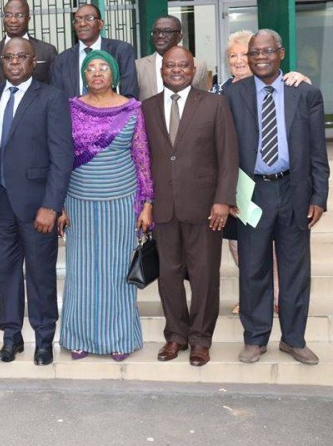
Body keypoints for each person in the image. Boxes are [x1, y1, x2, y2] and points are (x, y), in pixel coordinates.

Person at [225, 29, 329, 366]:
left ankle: (294, 339)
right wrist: (227, 195)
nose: (260, 58)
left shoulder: (305, 93)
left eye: (267, 51)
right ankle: (255, 338)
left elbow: (317, 151)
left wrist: (319, 196)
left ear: (281, 54)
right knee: (253, 268)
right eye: (254, 53)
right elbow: (223, 151)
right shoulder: (232, 94)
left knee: (295, 269)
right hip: (252, 192)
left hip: (294, 190)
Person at [141, 46, 238, 367]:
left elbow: (228, 156)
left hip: (205, 207)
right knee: (168, 274)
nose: (176, 70)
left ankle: (200, 340)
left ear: (193, 68)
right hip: (164, 208)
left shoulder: (214, 103)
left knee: (204, 274)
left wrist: (223, 200)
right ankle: (176, 336)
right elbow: (146, 160)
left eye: (183, 65)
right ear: (162, 69)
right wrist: (147, 202)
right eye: (170, 65)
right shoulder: (148, 107)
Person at [0, 37, 72, 365]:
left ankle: (44, 337)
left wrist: (52, 205)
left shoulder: (51, 98)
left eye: (22, 57)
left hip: (38, 206)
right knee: (4, 273)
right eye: (8, 58)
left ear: (34, 62)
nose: (15, 63)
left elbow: (62, 156)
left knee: (40, 273)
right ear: (0, 62)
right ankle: (11, 336)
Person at [57, 50, 153, 362]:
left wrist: (147, 203)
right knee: (82, 273)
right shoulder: (70, 108)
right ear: (83, 75)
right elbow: (59, 158)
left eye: (103, 68)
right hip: (79, 202)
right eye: (90, 69)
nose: (97, 73)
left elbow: (142, 158)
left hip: (122, 202)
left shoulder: (132, 108)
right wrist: (59, 203)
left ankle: (119, 338)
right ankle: (79, 337)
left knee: (116, 272)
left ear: (114, 74)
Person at [211, 30, 310, 315]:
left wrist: (300, 77)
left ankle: (277, 296)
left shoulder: (287, 84)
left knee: (278, 249)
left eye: (245, 54)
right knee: (241, 248)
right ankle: (254, 299)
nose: (240, 60)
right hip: (238, 184)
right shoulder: (222, 92)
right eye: (233, 56)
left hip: (277, 184)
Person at [50, 4, 139, 98]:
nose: (82, 24)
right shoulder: (62, 60)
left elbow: (130, 92)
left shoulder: (121, 50)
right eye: (77, 20)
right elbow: (56, 99)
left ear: (100, 24)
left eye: (89, 18)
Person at [0, 0, 57, 89]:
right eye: (8, 15)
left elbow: (55, 88)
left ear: (28, 19)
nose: (13, 20)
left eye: (19, 15)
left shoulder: (47, 51)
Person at [136, 16, 209, 100]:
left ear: (179, 37)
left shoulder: (199, 65)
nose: (160, 35)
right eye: (156, 32)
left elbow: (202, 100)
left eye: (167, 31)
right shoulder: (138, 66)